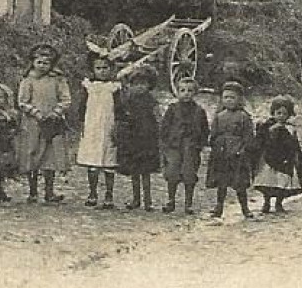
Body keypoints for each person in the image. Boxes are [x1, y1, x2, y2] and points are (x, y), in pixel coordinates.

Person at [76, 54, 138, 208]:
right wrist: (82, 123)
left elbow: (119, 108)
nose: (102, 71)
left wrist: (120, 124)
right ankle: (92, 193)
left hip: (108, 125)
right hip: (92, 127)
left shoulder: (114, 87)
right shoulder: (89, 86)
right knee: (92, 159)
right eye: (98, 68)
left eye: (105, 68)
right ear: (93, 70)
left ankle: (109, 194)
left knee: (109, 159)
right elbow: (82, 107)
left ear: (111, 69)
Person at [17, 43, 72, 202]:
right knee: (32, 154)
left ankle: (49, 191)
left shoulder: (58, 80)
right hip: (32, 123)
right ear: (33, 62)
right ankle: (33, 192)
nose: (42, 65)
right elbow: (22, 101)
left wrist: (56, 112)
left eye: (46, 63)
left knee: (50, 156)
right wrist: (35, 113)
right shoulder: (28, 80)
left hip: (52, 122)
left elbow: (66, 99)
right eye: (39, 62)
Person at [207, 80, 257, 221]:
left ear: (239, 99)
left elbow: (248, 137)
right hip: (222, 154)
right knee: (221, 183)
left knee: (240, 184)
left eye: (232, 97)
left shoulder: (244, 117)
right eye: (226, 97)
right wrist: (216, 146)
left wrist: (242, 150)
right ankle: (219, 208)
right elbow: (214, 134)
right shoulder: (219, 116)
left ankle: (245, 208)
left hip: (238, 155)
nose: (229, 100)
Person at [160, 75, 209, 214]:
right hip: (174, 146)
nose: (186, 93)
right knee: (172, 173)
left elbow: (205, 130)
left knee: (189, 174)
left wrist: (200, 145)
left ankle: (188, 203)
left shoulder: (199, 111)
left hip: (191, 147)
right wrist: (165, 144)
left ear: (195, 93)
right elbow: (164, 127)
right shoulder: (172, 109)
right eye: (182, 90)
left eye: (190, 90)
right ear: (177, 92)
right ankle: (170, 200)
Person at [113, 68, 161, 211]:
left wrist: (159, 132)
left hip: (147, 138)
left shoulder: (151, 100)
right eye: (136, 83)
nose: (140, 87)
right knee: (134, 171)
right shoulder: (127, 99)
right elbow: (120, 117)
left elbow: (158, 117)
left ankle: (148, 201)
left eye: (143, 83)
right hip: (132, 138)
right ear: (131, 85)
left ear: (149, 85)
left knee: (145, 171)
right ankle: (136, 199)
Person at [254, 96, 302, 213]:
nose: (281, 116)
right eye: (278, 113)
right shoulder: (267, 126)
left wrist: (297, 157)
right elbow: (261, 140)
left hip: (285, 160)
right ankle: (267, 202)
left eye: (284, 114)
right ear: (273, 113)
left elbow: (294, 145)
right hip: (269, 159)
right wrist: (272, 131)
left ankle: (279, 203)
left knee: (282, 182)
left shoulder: (290, 129)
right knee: (268, 182)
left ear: (289, 115)